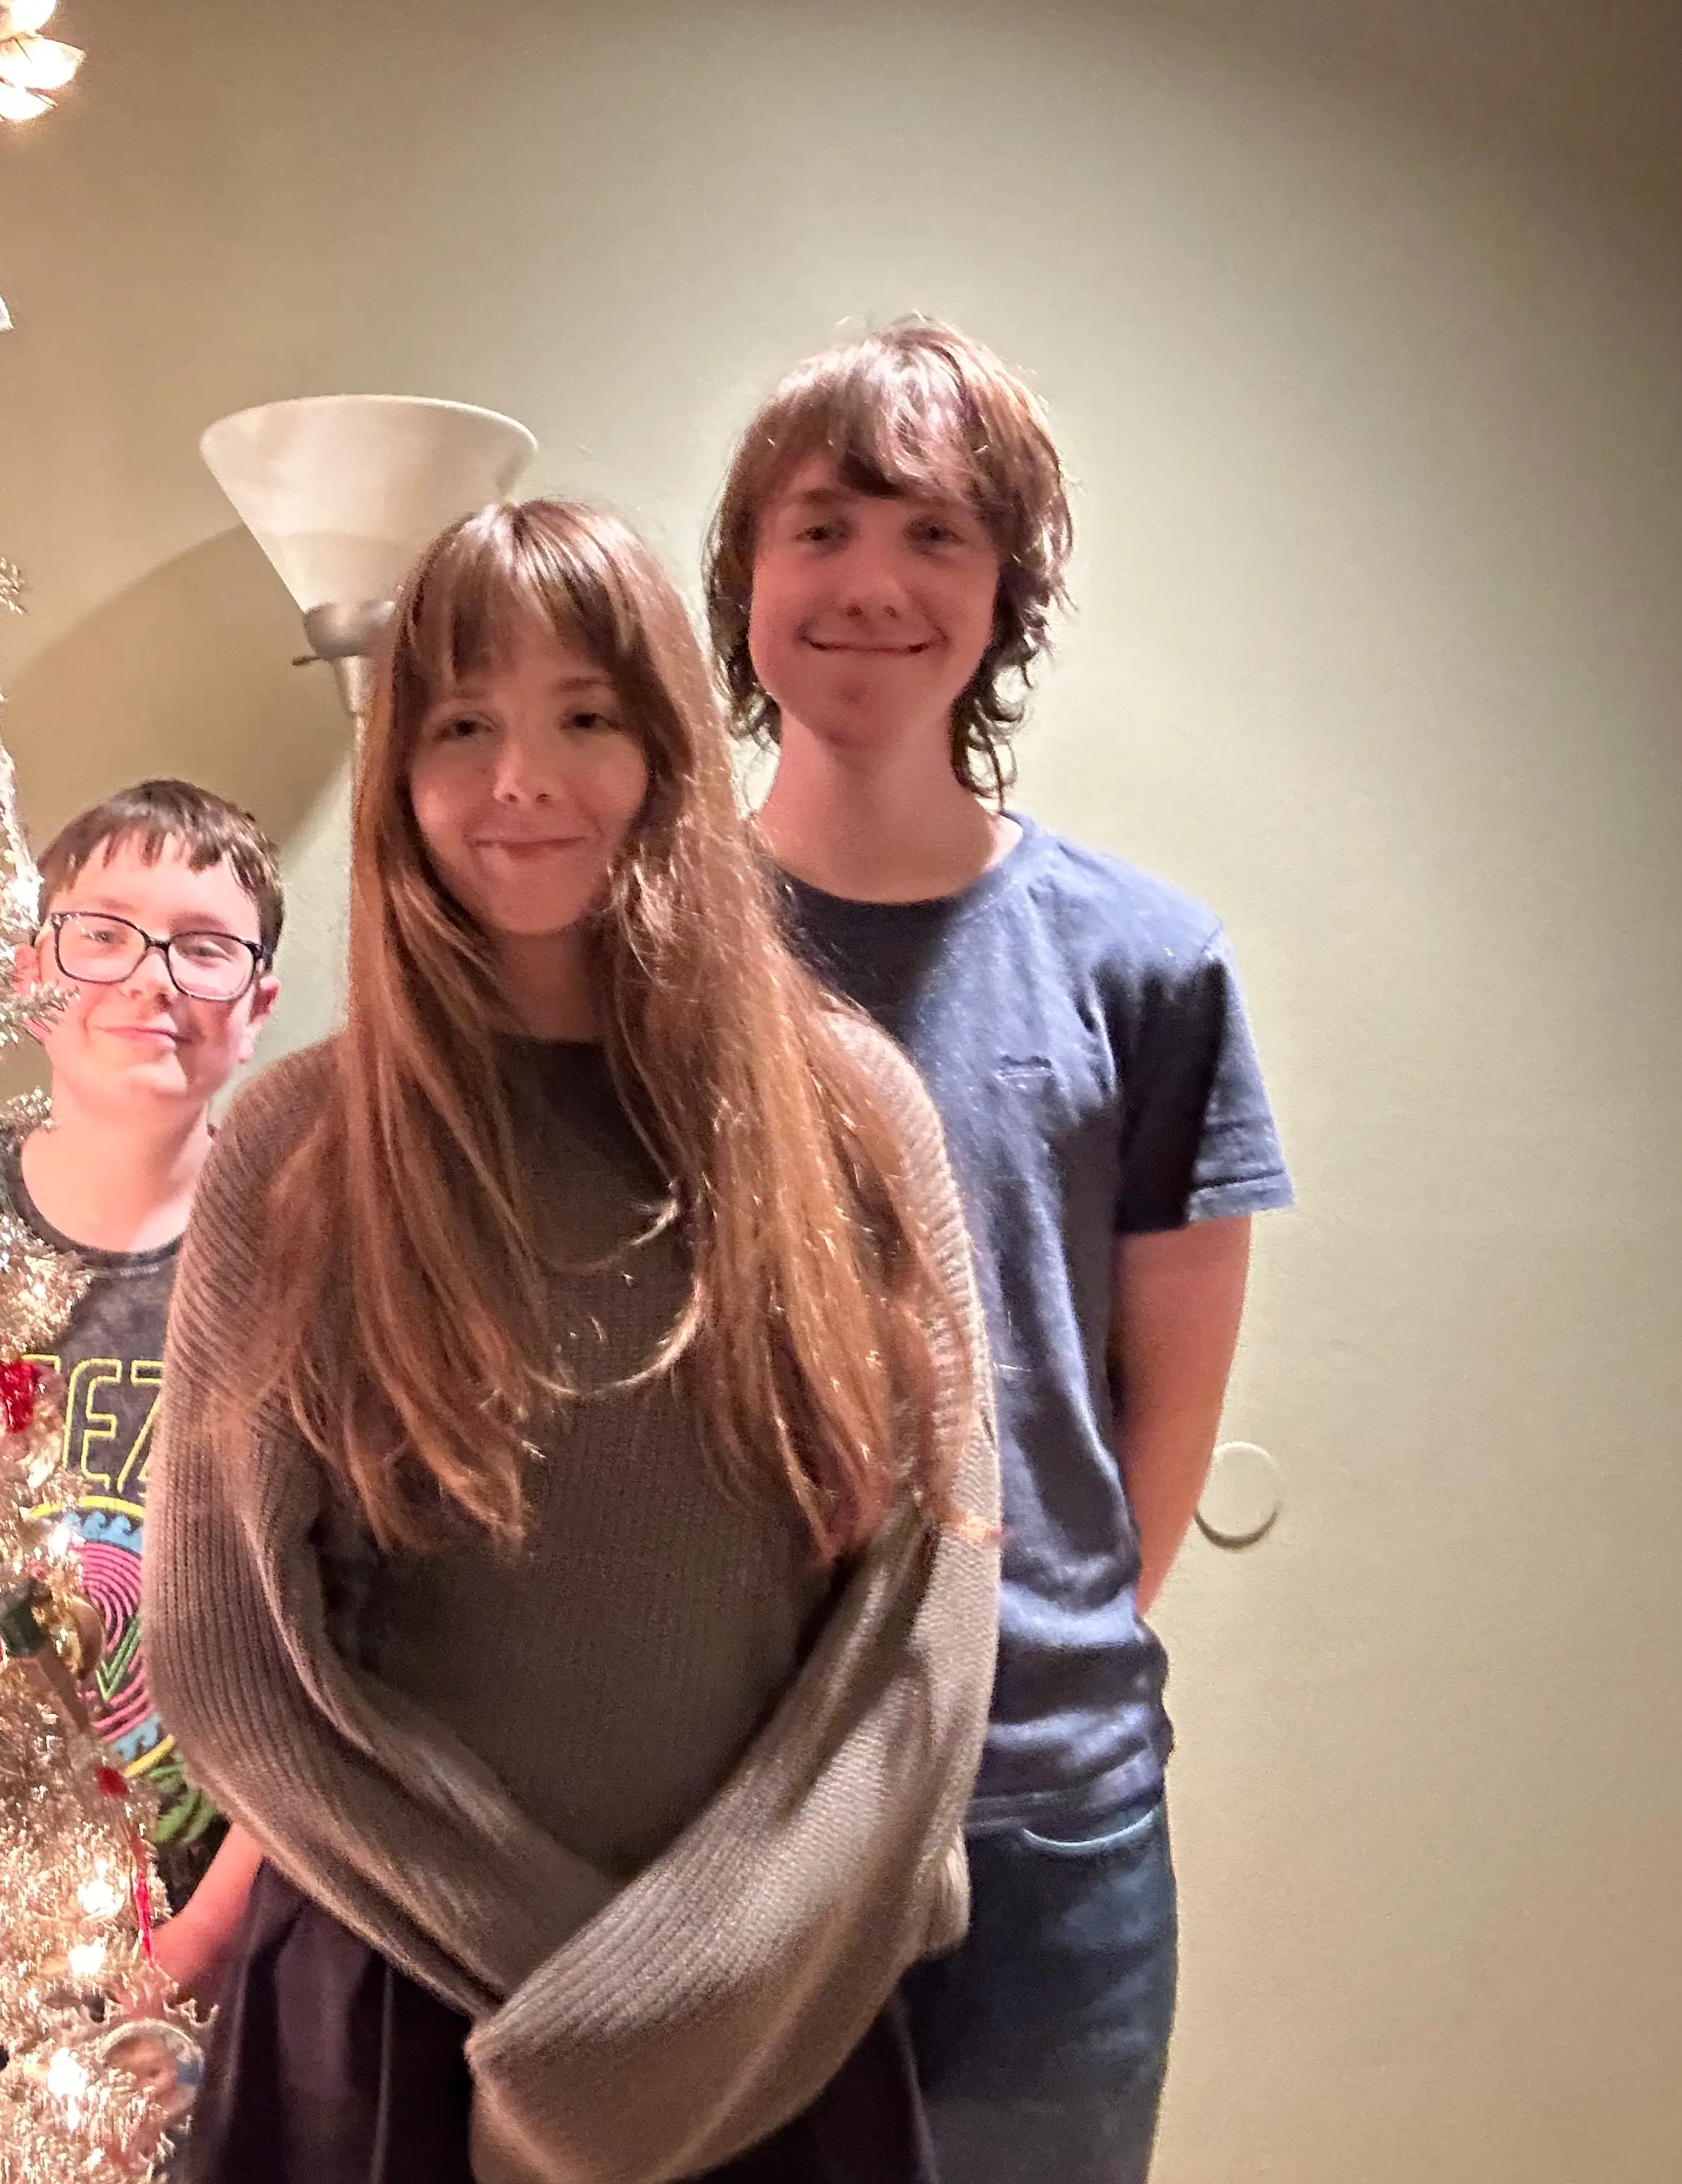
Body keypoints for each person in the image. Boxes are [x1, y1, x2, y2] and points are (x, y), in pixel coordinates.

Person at [147, 500, 1002, 2184]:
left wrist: (687, 2002)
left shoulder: (854, 1120)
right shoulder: (292, 1155)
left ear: (671, 747)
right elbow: (234, 1655)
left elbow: (928, 1622)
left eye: (585, 717)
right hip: (401, 2036)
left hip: (775, 2037)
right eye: (462, 725)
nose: (520, 778)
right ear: (401, 774)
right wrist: (581, 2016)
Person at [707, 318, 1294, 2183]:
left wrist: (1019, 1674)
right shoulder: (646, 958)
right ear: (743, 587)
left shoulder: (1150, 965)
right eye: (821, 530)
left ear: (1006, 592)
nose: (873, 582)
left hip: (1055, 1837)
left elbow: (1153, 1434)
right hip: (714, 1810)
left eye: (935, 536)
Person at [0, 780, 282, 2000]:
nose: (151, 977)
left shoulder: (303, 1260)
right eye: (103, 932)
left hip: (211, 1933)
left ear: (260, 1005)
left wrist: (202, 1947)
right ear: (29, 969)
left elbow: (343, 1652)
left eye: (205, 948)